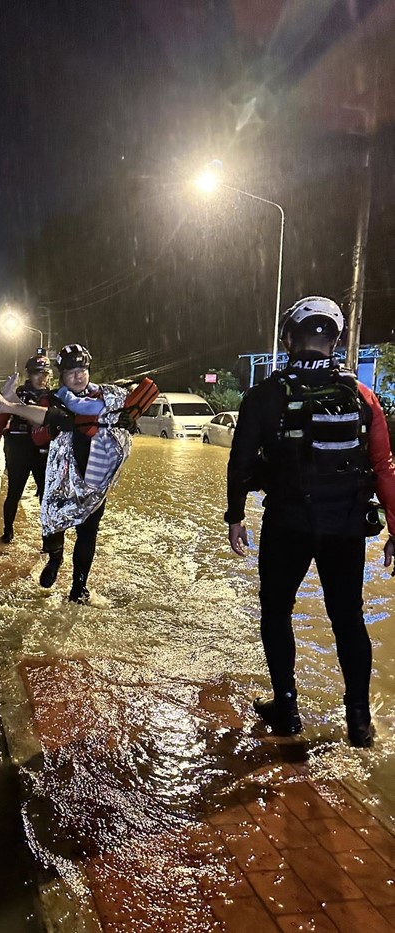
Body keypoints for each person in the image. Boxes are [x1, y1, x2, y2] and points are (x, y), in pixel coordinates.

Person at [225, 296, 395, 747]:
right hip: (345, 528)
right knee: (347, 618)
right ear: (336, 341)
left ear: (287, 339)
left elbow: (241, 462)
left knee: (276, 611)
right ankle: (358, 721)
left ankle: (286, 708)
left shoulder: (264, 396)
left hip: (288, 524)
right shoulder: (363, 397)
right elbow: (383, 465)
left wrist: (235, 516)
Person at [0, 344, 140, 603]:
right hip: (61, 477)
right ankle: (55, 558)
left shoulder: (104, 398)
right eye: (71, 371)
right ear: (61, 375)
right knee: (54, 523)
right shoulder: (51, 400)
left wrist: (128, 422)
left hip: (93, 477)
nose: (78, 376)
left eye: (82, 369)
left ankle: (79, 586)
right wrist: (56, 427)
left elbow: (123, 428)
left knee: (88, 532)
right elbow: (38, 437)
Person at [0, 351, 53, 543]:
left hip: (42, 451)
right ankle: (7, 532)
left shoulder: (52, 397)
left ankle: (48, 538)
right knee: (13, 493)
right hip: (18, 450)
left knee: (45, 497)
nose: (42, 378)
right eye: (37, 373)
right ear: (29, 374)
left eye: (46, 373)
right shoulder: (16, 394)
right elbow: (0, 423)